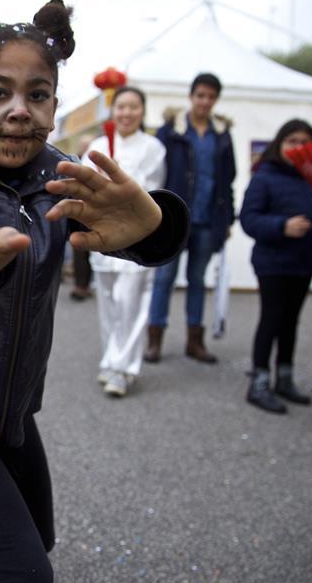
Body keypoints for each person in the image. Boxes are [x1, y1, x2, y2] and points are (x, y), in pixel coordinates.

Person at [0, 0, 189, 583]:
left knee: (41, 542)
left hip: (13, 413)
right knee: (24, 581)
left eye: (38, 95)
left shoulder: (62, 175)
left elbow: (141, 240)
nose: (18, 112)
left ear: (55, 106)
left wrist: (155, 225)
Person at [240, 119, 312, 414]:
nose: (298, 148)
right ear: (279, 144)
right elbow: (248, 218)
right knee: (271, 319)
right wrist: (282, 226)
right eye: (292, 141)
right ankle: (258, 382)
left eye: (305, 142)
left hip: (304, 263)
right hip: (272, 263)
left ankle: (284, 377)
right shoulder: (264, 176)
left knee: (290, 322)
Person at [145, 72, 236, 364]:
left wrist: (228, 219)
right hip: (174, 219)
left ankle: (194, 342)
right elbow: (157, 175)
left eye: (211, 97)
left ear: (216, 100)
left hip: (209, 220)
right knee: (164, 278)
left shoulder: (222, 135)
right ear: (191, 96)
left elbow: (228, 180)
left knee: (198, 279)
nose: (205, 102)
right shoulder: (171, 130)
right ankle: (154, 340)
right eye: (201, 95)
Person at [82, 86, 166, 397]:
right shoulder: (98, 145)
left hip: (139, 236)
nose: (126, 113)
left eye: (133, 107)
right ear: (112, 110)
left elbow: (152, 190)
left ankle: (124, 368)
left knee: (132, 301)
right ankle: (109, 359)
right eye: (121, 107)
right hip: (102, 235)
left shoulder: (153, 147)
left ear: (142, 111)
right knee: (108, 301)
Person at [69, 133, 95, 302]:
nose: (86, 149)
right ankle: (80, 285)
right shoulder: (73, 162)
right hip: (77, 210)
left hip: (92, 211)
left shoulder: (96, 161)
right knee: (79, 250)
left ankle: (85, 284)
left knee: (90, 249)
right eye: (84, 146)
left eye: (89, 146)